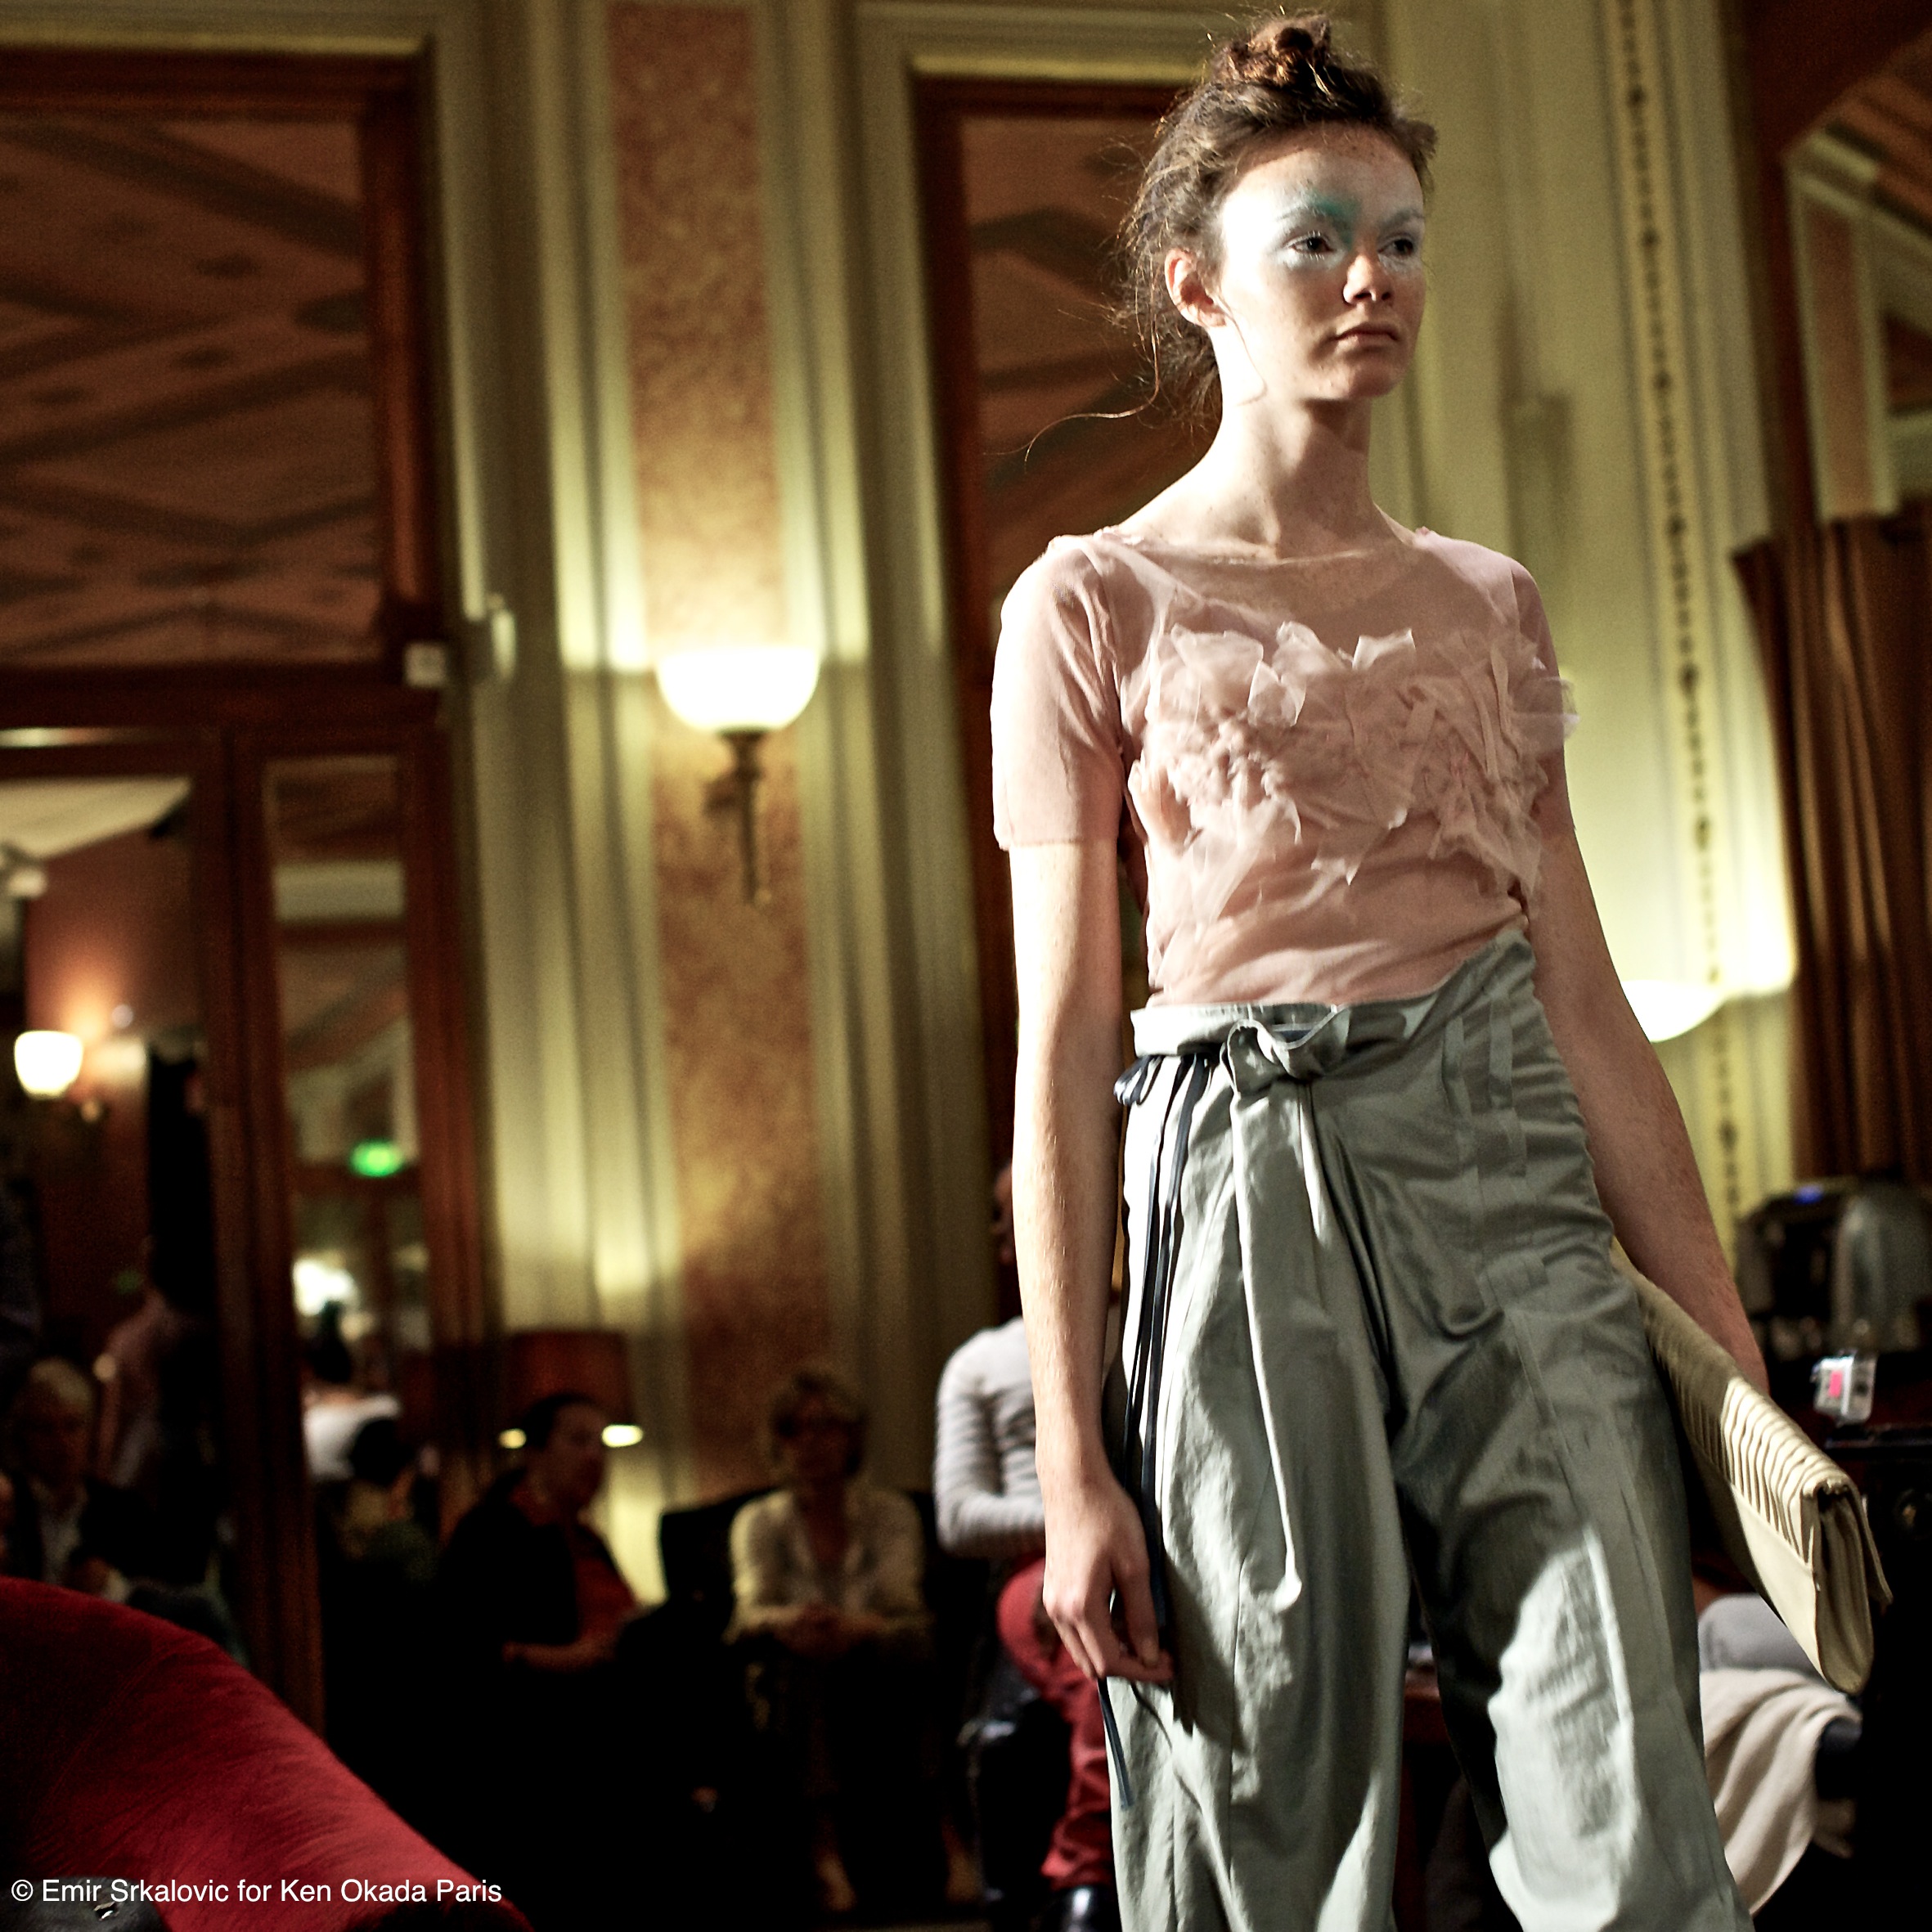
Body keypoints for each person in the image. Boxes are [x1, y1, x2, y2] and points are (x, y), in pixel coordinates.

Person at [992, 16, 1764, 1930]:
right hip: (1239, 1179)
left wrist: (1728, 1363)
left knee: (1620, 1768)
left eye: (1401, 239)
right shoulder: (1087, 601)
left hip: (1504, 1157)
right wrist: (1073, 1460)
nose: (1372, 280)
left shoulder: (1485, 602)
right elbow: (1064, 1044)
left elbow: (1586, 1002)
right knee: (1271, 1803)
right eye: (1318, 240)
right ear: (1199, 285)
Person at [936, 1179, 1117, 1932]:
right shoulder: (980, 1362)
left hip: (1156, 1553)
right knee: (1098, 1645)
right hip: (1038, 1562)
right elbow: (958, 1516)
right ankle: (1088, 1876)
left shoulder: (1151, 1332)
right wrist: (1074, 1522)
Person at [730, 1367, 937, 1917]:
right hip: (796, 1665)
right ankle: (826, 1853)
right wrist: (798, 1622)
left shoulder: (890, 1513)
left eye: (825, 1425)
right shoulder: (758, 1521)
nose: (811, 1441)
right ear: (778, 1441)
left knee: (912, 1647)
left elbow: (903, 1603)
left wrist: (851, 1628)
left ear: (852, 1434)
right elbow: (751, 1609)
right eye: (793, 1428)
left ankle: (948, 1836)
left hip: (879, 1651)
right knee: (802, 1667)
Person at [434, 1391, 637, 1926]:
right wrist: (564, 1659)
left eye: (602, 1443)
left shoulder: (588, 1538)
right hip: (535, 1719)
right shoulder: (492, 1530)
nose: (594, 1456)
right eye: (579, 1441)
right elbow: (461, 1646)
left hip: (610, 1693)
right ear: (535, 1453)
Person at [3, 1356, 155, 1594]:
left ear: (90, 1431)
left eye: (72, 1426)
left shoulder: (122, 1510)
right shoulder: (8, 1505)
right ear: (23, 1435)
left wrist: (111, 1583)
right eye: (46, 1429)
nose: (61, 1442)